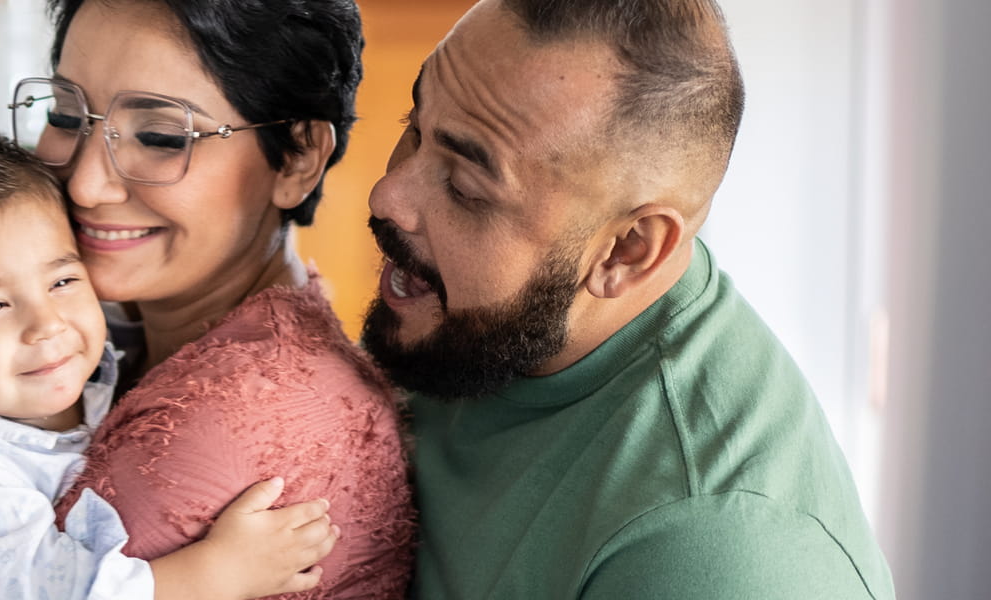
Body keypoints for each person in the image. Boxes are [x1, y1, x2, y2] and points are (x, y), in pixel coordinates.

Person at [0, 0, 414, 598]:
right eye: (66, 115)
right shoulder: (114, 348)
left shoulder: (226, 429)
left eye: (159, 135)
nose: (85, 183)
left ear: (296, 157)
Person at [360, 0, 895, 597]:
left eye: (465, 188)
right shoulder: (478, 325)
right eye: (413, 125)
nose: (388, 196)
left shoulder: (714, 552)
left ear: (627, 250)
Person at [0, 116, 334, 599]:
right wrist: (216, 573)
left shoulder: (77, 366)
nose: (47, 325)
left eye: (61, 282)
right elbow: (35, 590)